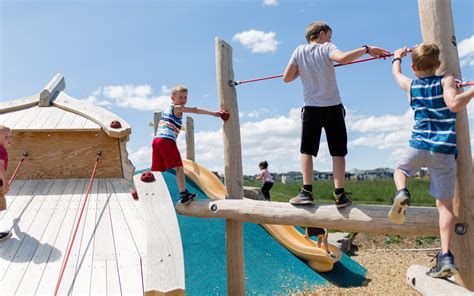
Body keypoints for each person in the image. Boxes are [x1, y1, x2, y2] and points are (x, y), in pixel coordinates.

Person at [389, 44, 474, 278]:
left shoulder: (412, 85)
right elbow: (454, 104)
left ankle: (401, 193)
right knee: (445, 205)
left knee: (400, 170)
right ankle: (445, 256)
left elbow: (397, 75)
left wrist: (397, 58)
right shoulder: (445, 80)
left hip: (418, 145)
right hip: (444, 150)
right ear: (438, 65)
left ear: (414, 67)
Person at [283, 21, 389, 207]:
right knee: (338, 152)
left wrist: (304, 68)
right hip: (332, 107)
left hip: (311, 109)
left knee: (307, 150)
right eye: (330, 37)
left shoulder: (298, 51)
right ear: (322, 34)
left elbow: (287, 78)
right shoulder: (327, 47)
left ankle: (306, 192)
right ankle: (339, 195)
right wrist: (366, 49)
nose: (331, 40)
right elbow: (343, 58)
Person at [152, 85, 221, 204]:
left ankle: (149, 192)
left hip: (156, 141)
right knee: (179, 168)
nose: (183, 100)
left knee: (157, 170)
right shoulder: (177, 108)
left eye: (185, 97)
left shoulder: (167, 109)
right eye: (180, 97)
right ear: (172, 98)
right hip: (166, 140)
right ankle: (184, 195)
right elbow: (195, 110)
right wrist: (213, 113)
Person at [0, 125, 12, 242]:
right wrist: (5, 182)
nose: (9, 139)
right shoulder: (1, 151)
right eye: (5, 136)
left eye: (10, 136)